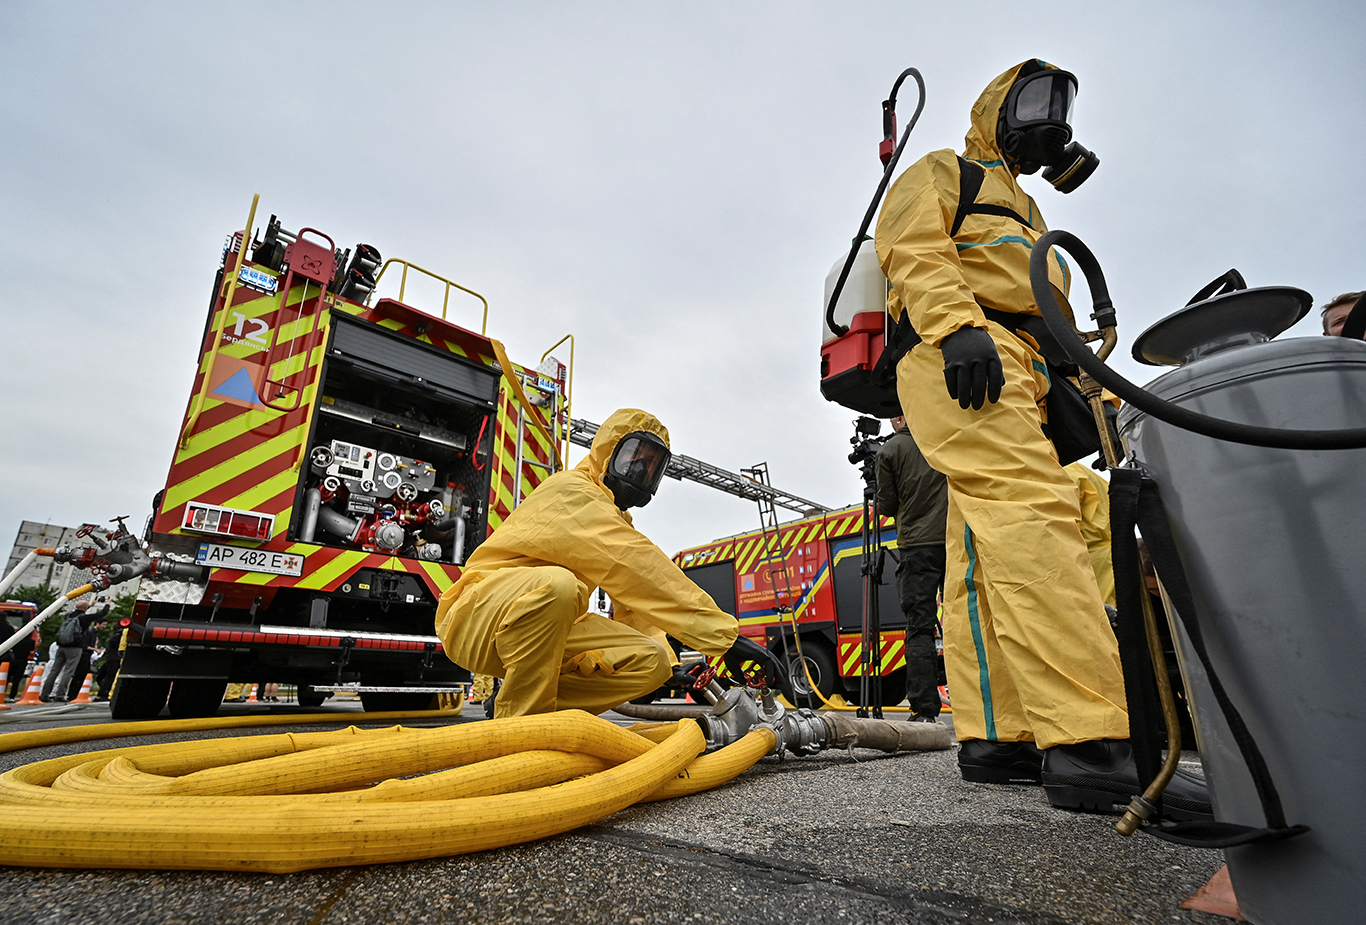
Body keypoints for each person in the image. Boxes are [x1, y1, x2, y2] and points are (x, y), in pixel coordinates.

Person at [874, 59, 1209, 817]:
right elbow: (911, 244)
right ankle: (1092, 743)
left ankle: (998, 737)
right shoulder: (946, 172)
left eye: (1062, 104)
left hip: (1019, 365)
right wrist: (957, 327)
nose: (1050, 115)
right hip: (966, 355)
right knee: (1034, 518)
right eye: (1035, 101)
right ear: (997, 111)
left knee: (980, 554)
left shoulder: (1024, 206)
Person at [435, 408, 780, 718]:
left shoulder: (614, 521)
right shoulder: (572, 491)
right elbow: (637, 567)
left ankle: (518, 703)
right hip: (476, 617)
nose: (641, 470)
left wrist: (670, 665)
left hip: (542, 627)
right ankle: (521, 730)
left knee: (650, 663)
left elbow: (633, 598)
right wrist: (726, 639)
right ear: (606, 452)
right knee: (558, 585)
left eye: (651, 465)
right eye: (634, 458)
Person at [875, 413, 948, 722]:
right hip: (957, 541)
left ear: (899, 417)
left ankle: (924, 710)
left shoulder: (890, 451)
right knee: (973, 623)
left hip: (917, 546)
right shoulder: (945, 437)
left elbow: (887, 506)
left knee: (919, 628)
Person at [42, 598, 108, 702]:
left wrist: (90, 605)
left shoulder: (68, 616)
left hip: (61, 646)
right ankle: (60, 695)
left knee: (54, 671)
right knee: (68, 671)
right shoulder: (84, 619)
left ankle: (44, 694)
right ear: (85, 608)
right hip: (75, 648)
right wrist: (107, 604)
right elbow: (103, 613)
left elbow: (80, 611)